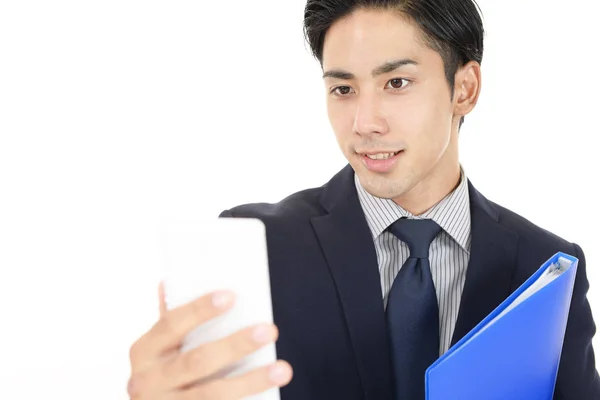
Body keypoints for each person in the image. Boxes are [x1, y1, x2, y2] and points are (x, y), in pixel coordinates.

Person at [127, 0, 600, 399]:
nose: (364, 123)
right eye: (343, 89)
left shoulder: (547, 268)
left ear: (465, 88)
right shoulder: (257, 248)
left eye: (396, 83)